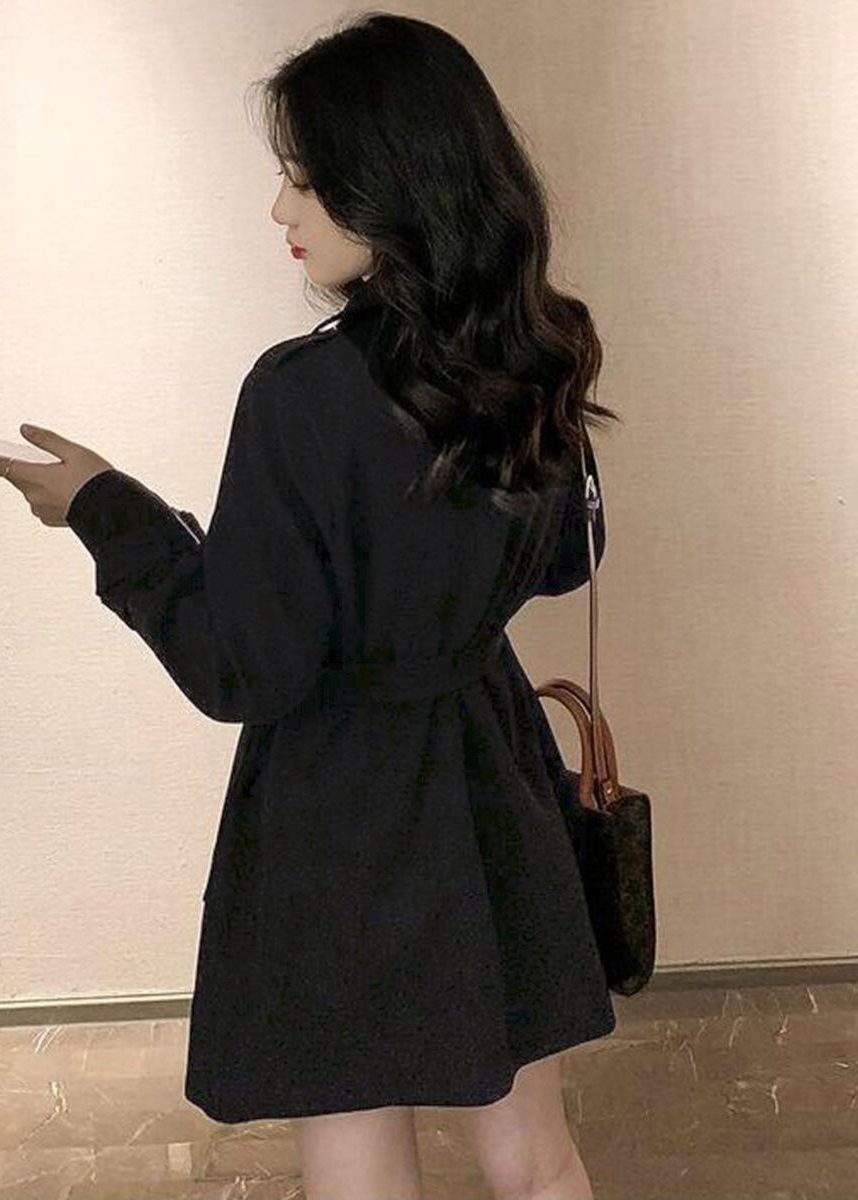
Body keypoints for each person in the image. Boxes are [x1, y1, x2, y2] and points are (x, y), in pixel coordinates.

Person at [65, 13, 622, 1200]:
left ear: (390, 182)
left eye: (305, 178)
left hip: (340, 809)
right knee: (536, 1155)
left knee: (357, 1154)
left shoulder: (301, 395)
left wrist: (105, 513)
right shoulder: (533, 351)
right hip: (488, 775)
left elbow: (242, 667)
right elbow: (563, 564)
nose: (281, 207)